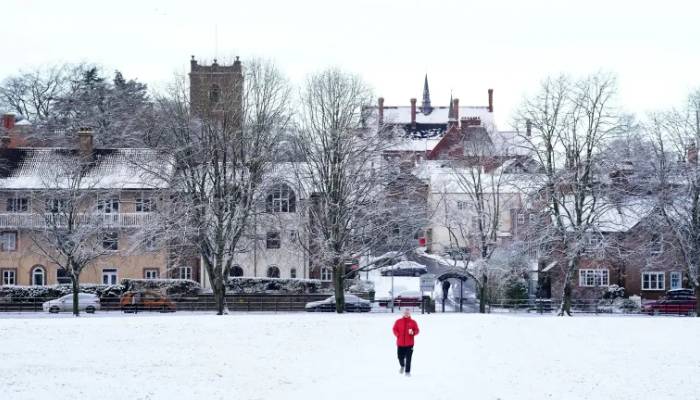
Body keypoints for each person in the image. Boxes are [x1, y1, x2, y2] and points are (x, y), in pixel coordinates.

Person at [392, 308, 420, 376]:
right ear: (403, 314)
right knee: (400, 357)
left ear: (410, 314)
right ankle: (402, 366)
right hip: (400, 343)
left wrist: (413, 332)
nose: (406, 314)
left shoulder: (413, 322)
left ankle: (407, 372)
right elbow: (394, 329)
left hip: (410, 344)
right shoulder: (398, 321)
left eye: (407, 313)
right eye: (405, 313)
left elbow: (417, 330)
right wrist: (397, 334)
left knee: (408, 358)